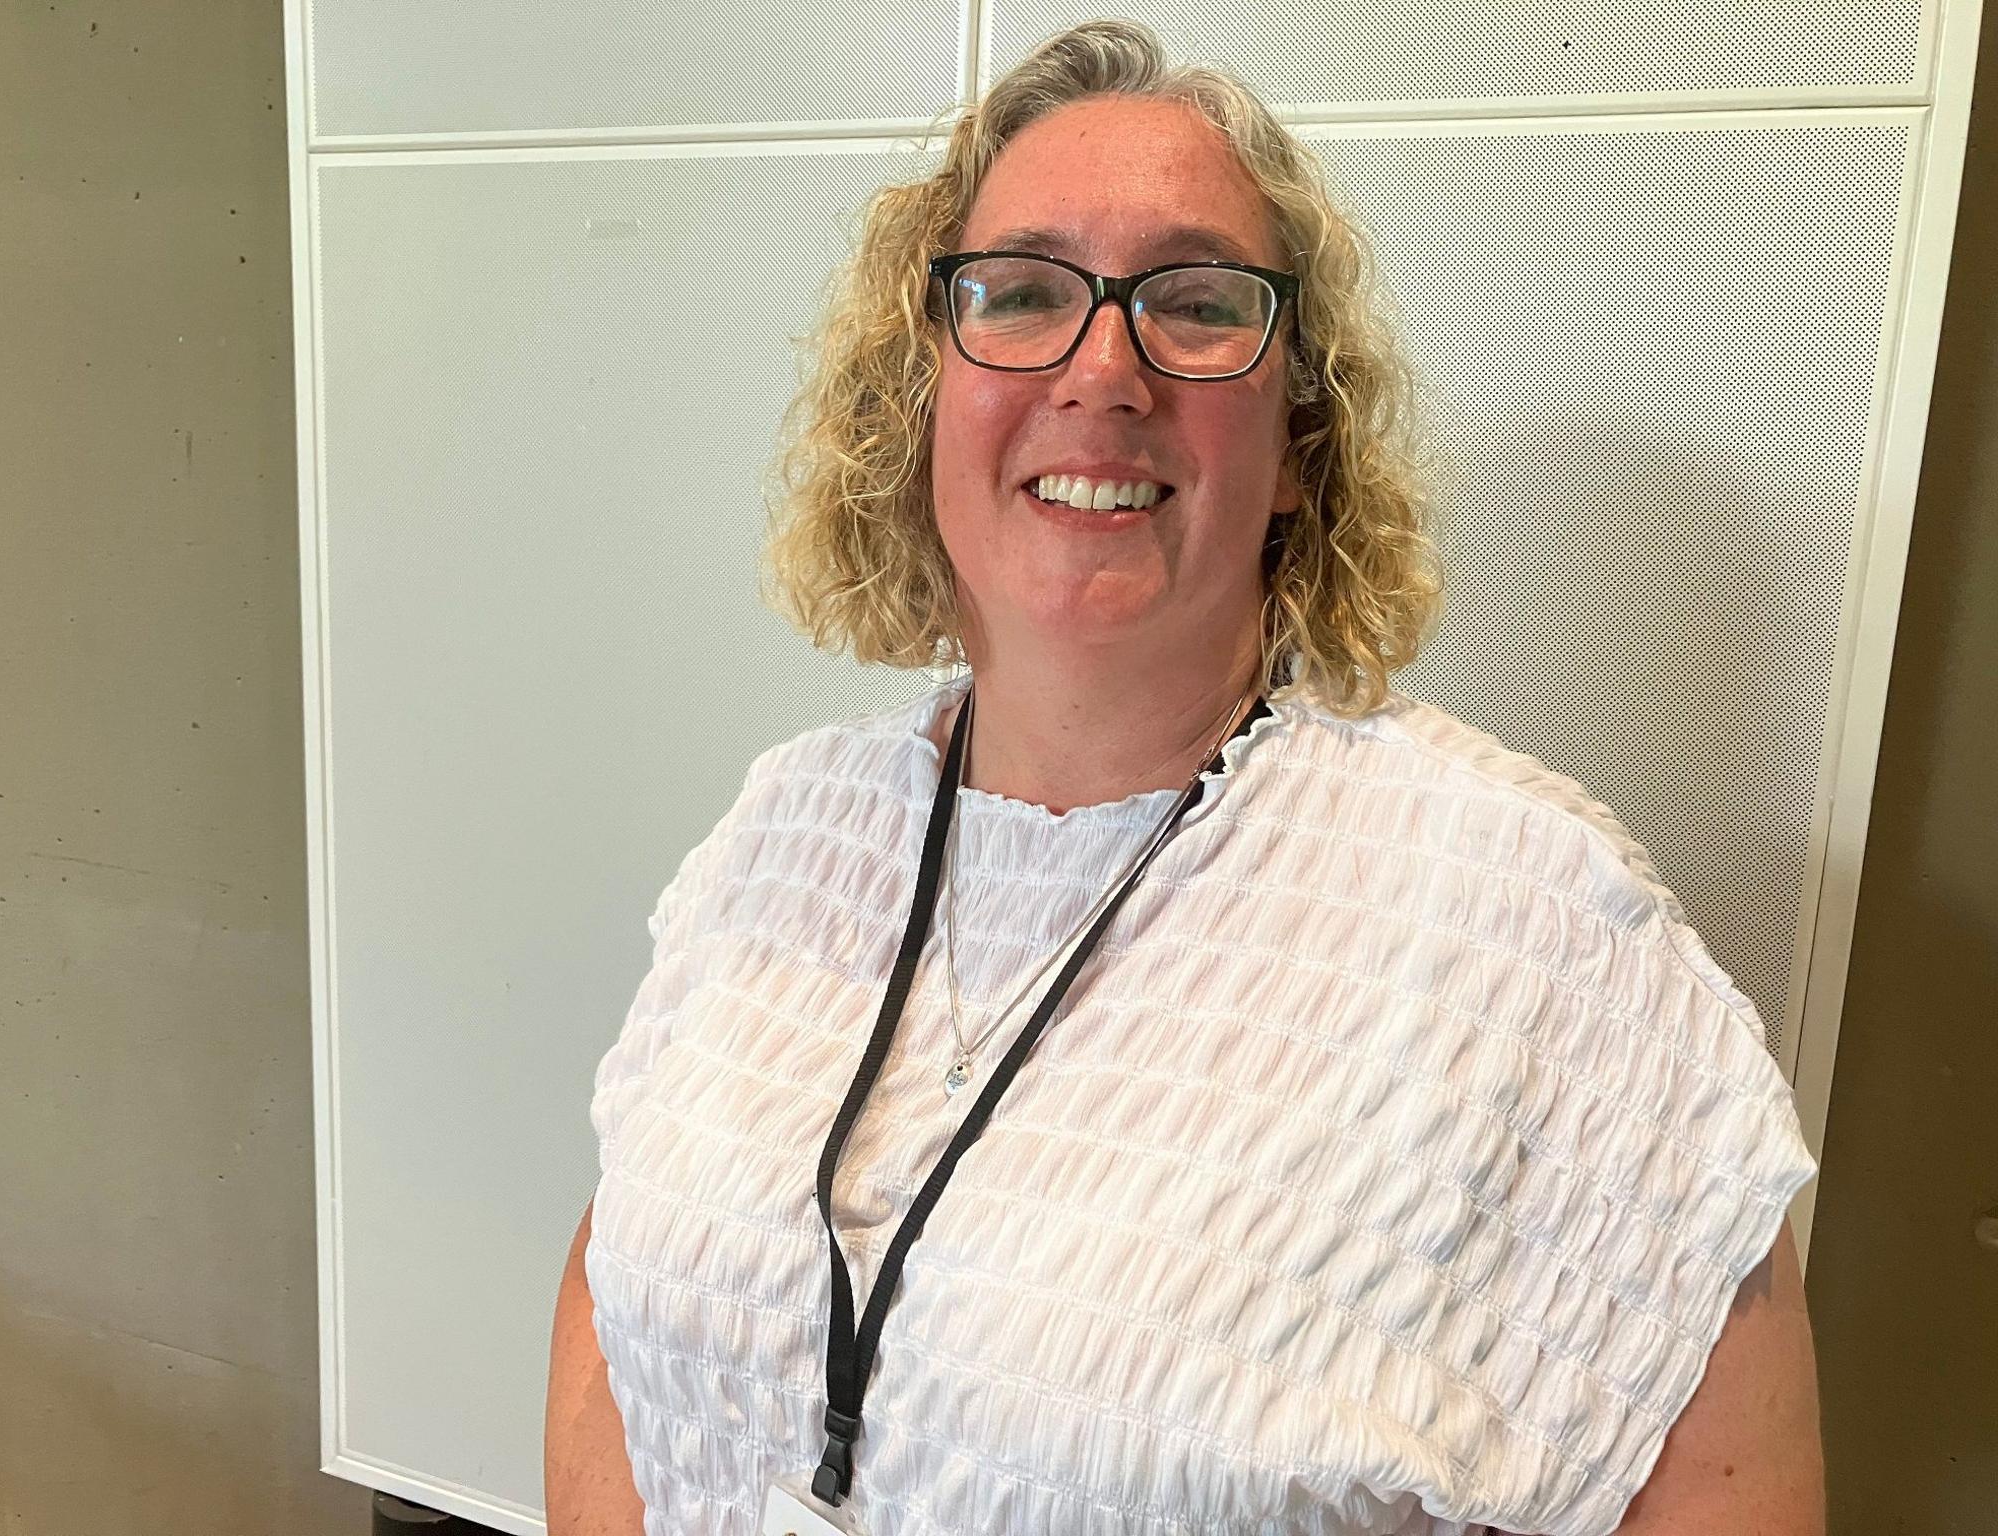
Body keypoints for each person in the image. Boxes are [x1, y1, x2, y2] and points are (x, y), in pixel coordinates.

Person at [546, 19, 1824, 1536]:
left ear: (1300, 434)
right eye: (1019, 293)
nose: (1104, 369)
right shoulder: (787, 832)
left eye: (1198, 303)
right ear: (921, 400)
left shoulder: (1536, 932)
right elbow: (620, 1293)